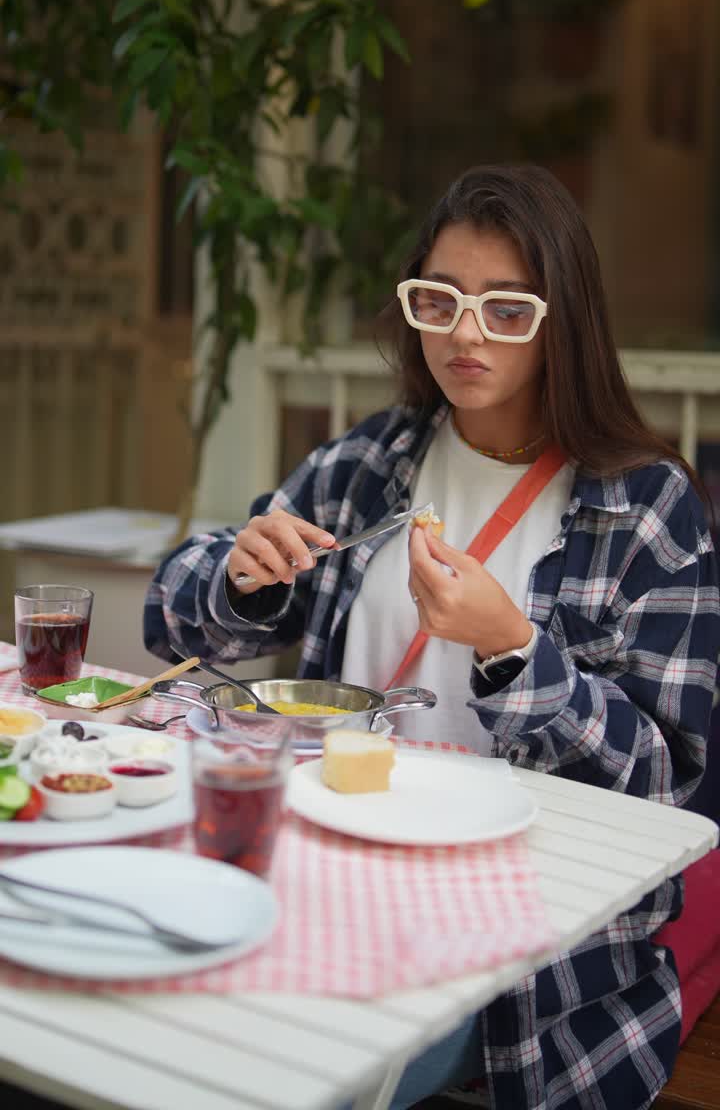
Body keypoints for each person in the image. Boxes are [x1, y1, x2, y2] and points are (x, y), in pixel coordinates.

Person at [144, 164, 720, 1110]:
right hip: (331, 880)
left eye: (505, 310)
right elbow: (168, 621)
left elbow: (664, 782)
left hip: (523, 949)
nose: (463, 334)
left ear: (560, 322)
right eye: (439, 299)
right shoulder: (371, 462)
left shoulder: (648, 507)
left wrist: (515, 653)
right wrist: (238, 576)